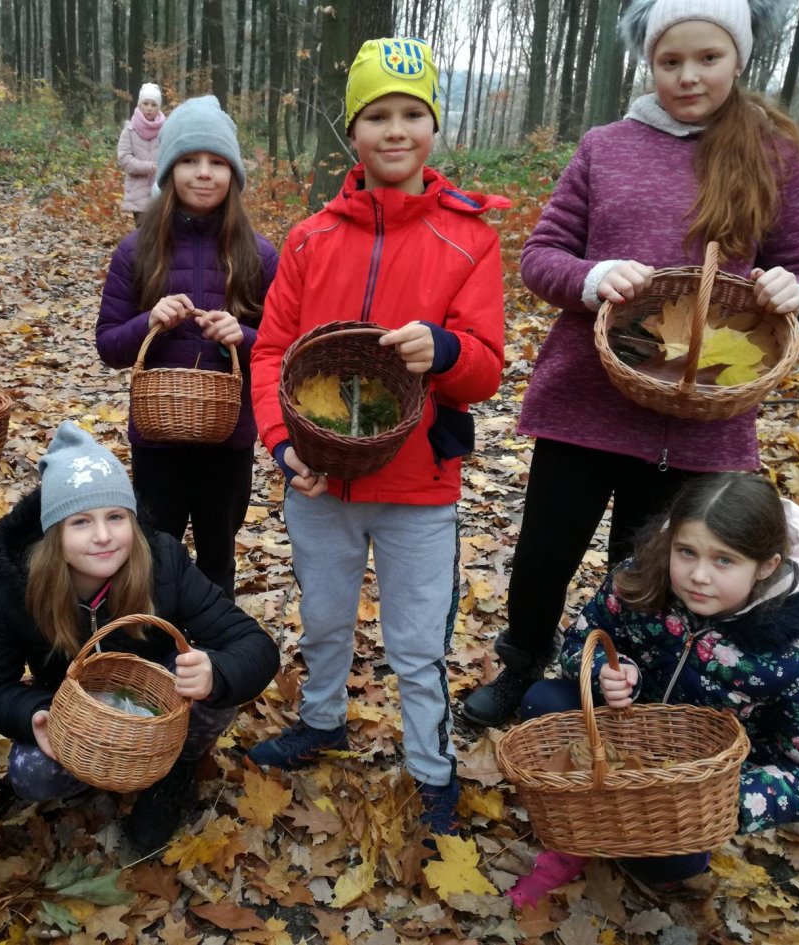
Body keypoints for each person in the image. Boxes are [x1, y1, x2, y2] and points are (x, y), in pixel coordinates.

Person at [460, 0, 799, 727]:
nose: (688, 76)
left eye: (708, 59)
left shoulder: (772, 154)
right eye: (670, 61)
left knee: (650, 576)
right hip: (586, 403)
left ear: (740, 58)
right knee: (542, 558)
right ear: (648, 61)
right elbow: (541, 257)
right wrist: (594, 278)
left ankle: (627, 697)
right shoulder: (606, 146)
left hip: (696, 418)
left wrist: (795, 294)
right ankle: (522, 665)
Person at [246, 38, 508, 837]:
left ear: (434, 126)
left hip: (418, 485)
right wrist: (284, 448)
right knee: (323, 616)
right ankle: (321, 719)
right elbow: (269, 353)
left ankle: (431, 769)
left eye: (412, 114)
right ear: (352, 133)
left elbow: (487, 366)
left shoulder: (469, 238)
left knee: (417, 639)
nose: (396, 131)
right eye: (377, 116)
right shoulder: (310, 239)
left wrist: (448, 350)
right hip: (320, 480)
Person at [505, 472, 799, 904]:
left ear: (766, 567)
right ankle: (576, 837)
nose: (698, 576)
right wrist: (606, 671)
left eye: (724, 560)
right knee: (544, 702)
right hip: (624, 742)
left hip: (696, 787)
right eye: (686, 552)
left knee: (673, 861)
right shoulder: (639, 581)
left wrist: (718, 799)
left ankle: (636, 848)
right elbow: (583, 637)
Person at [0, 422, 279, 854]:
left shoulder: (163, 560)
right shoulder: (12, 588)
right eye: (81, 522)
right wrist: (35, 712)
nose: (104, 536)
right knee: (30, 773)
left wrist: (216, 673)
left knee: (211, 682)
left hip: (155, 703)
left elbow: (254, 645)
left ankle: (173, 770)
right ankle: (98, 774)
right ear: (54, 533)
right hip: (76, 716)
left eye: (115, 516)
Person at [96, 95, 279, 600]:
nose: (204, 173)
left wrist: (242, 336)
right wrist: (146, 322)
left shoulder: (258, 255)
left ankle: (216, 656)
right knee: (154, 553)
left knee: (219, 552)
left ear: (234, 174)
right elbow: (108, 345)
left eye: (218, 162)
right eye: (190, 161)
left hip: (229, 438)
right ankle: (154, 648)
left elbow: (284, 351)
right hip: (158, 440)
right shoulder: (138, 250)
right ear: (170, 168)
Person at [117, 82, 165, 226]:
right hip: (138, 194)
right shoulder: (129, 131)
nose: (149, 108)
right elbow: (124, 159)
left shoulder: (166, 130)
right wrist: (149, 167)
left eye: (154, 104)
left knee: (161, 234)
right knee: (142, 235)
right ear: (139, 105)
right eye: (146, 103)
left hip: (161, 192)